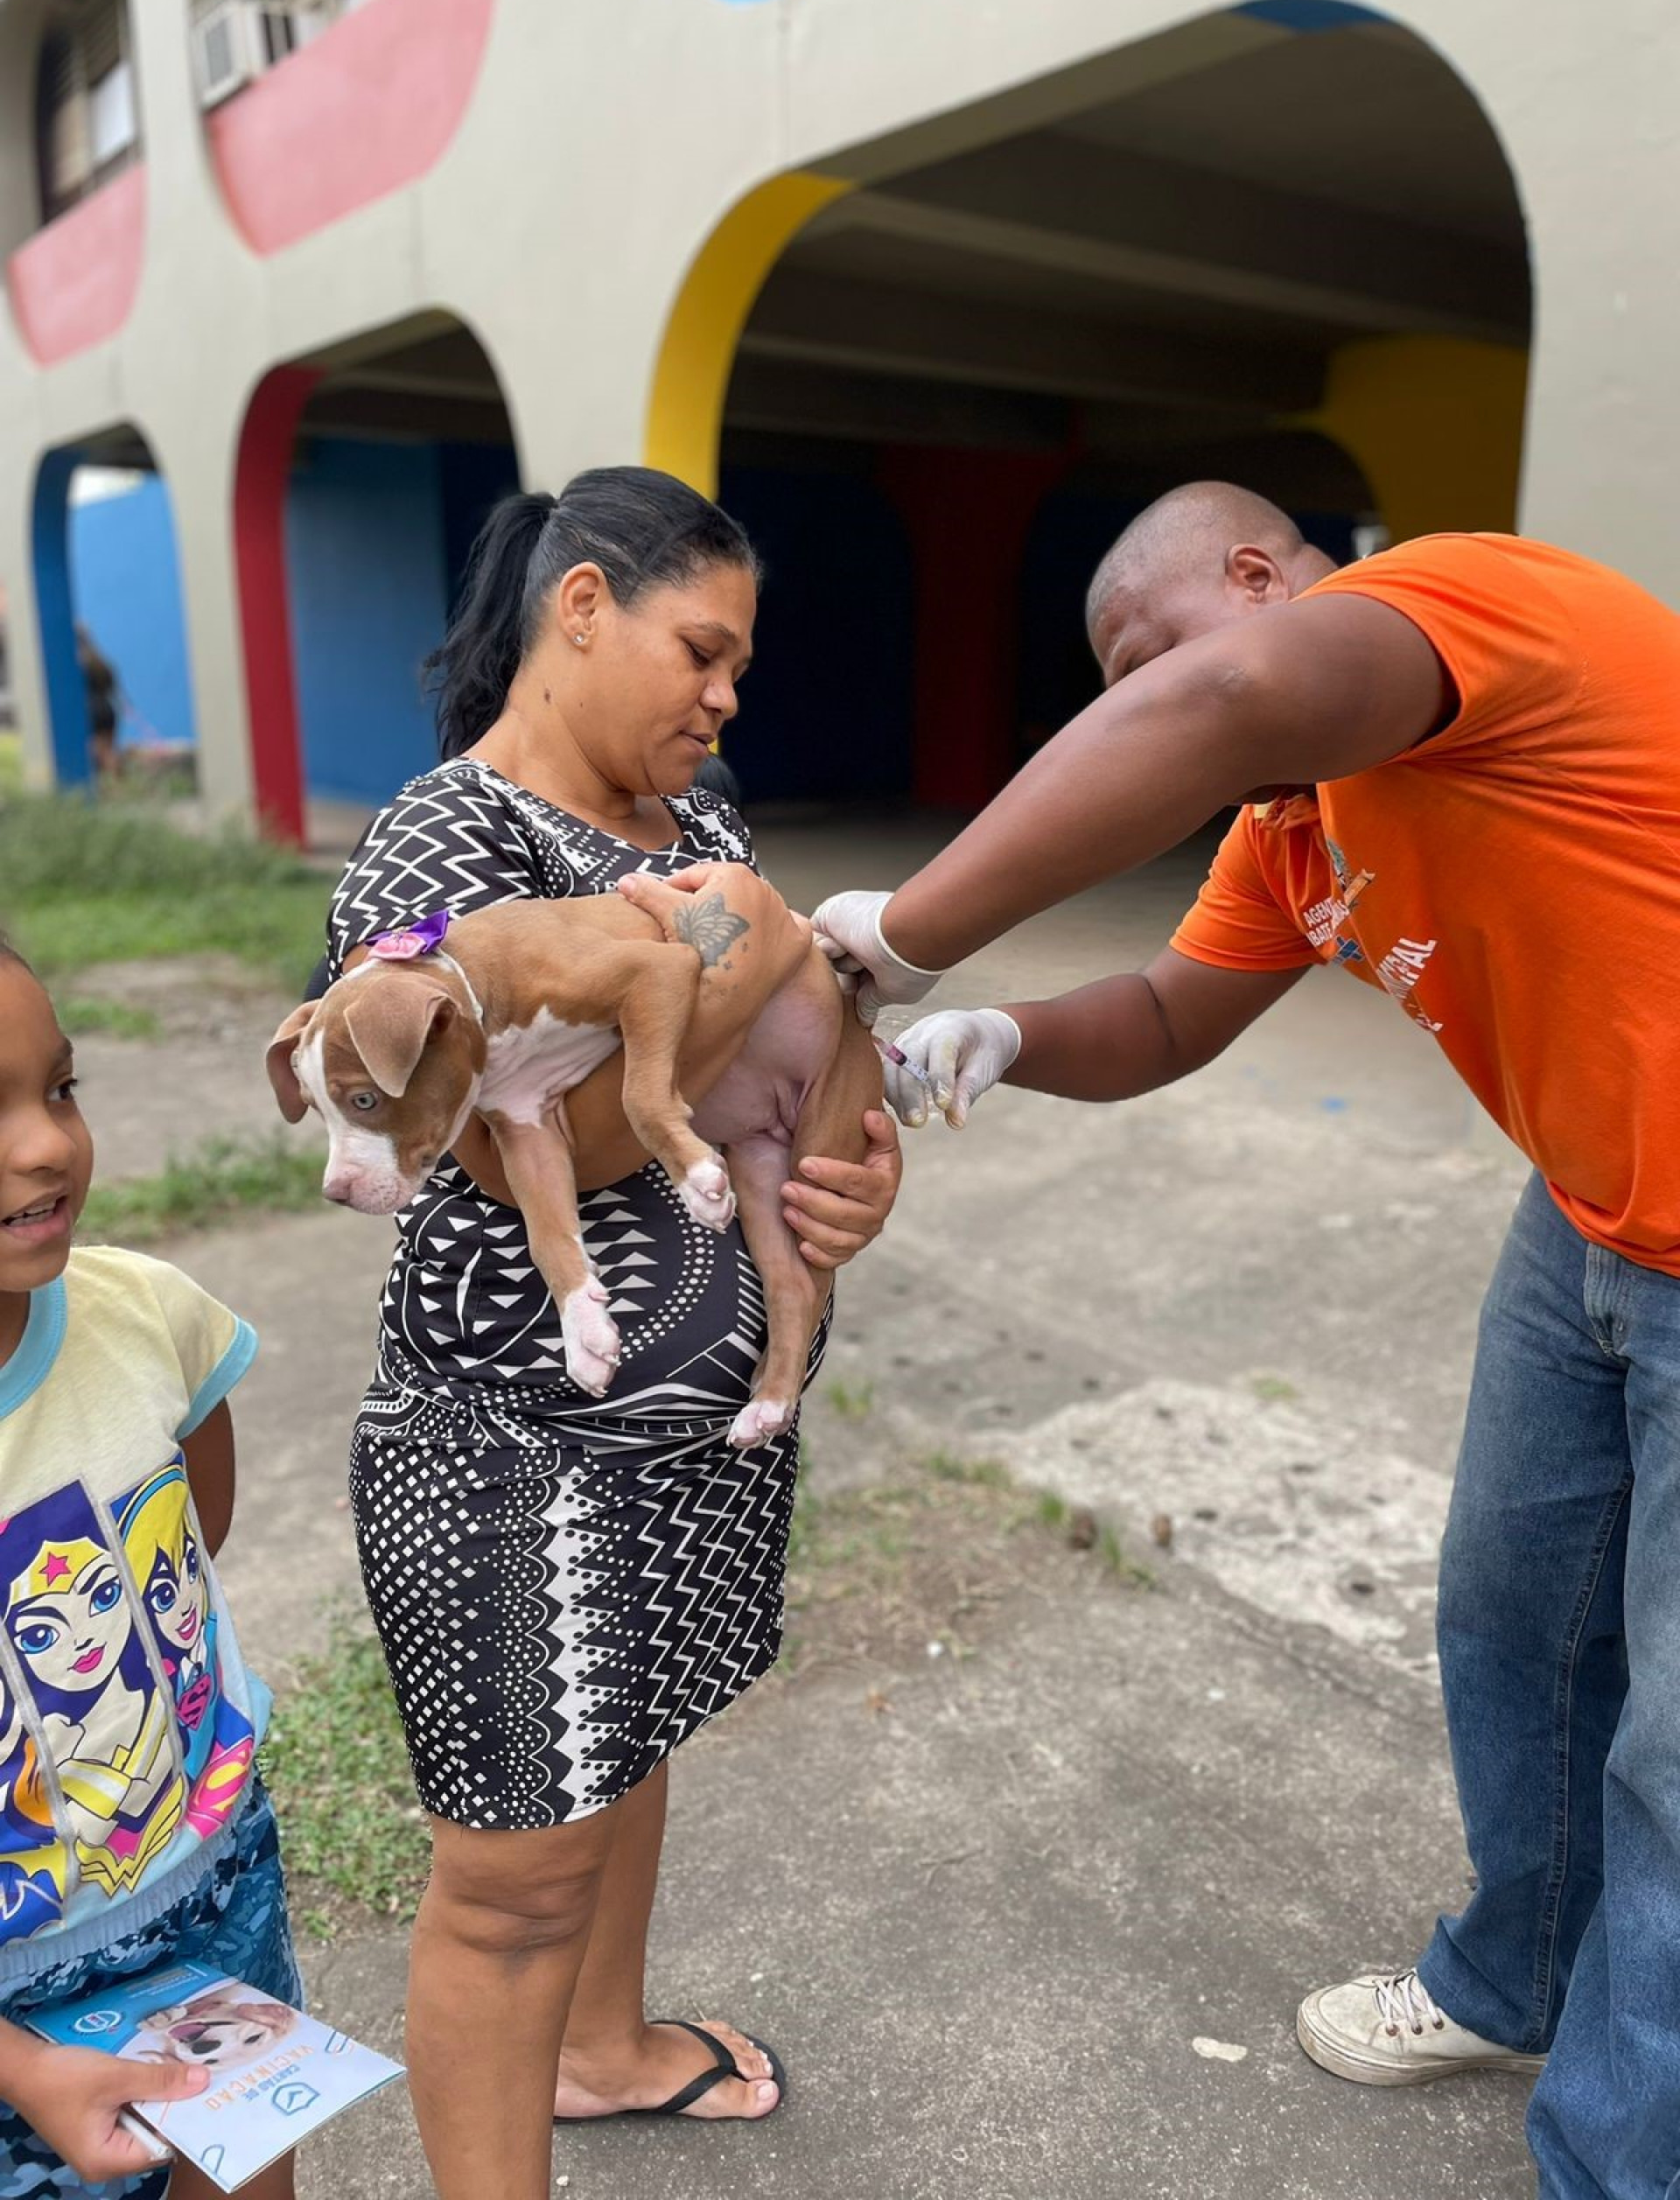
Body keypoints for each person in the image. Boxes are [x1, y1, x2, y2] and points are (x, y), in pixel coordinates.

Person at [812, 482, 1680, 2200]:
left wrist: (908, 941)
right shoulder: (1299, 828)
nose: (1161, 715)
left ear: (1264, 576)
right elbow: (1159, 1013)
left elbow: (1221, 700)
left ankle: (1616, 2160)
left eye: (1154, 657)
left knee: (1675, 1757)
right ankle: (1522, 1972)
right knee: (1515, 1614)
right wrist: (998, 1031)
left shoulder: (1466, 608)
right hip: (1590, 1214)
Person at [319, 468, 901, 2200]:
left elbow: (794, 1058)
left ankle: (606, 2047)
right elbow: (485, 1154)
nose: (725, 695)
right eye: (698, 649)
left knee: (623, 1742)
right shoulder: (450, 835)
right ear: (581, 606)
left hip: (679, 1438)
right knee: (512, 1884)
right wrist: (741, 943)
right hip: (512, 1447)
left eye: (738, 664)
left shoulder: (694, 814)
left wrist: (852, 1189)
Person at [0, 938, 298, 2200]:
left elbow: (195, 1529)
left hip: (208, 1870)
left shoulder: (147, 1318)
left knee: (246, 2160)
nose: (46, 1144)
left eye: (58, 1088)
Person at [74, 627, 121, 784]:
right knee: (108, 752)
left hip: (91, 712)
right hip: (108, 710)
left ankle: (102, 788)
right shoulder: (99, 661)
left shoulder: (75, 664)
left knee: (95, 753)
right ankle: (116, 786)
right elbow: (112, 684)